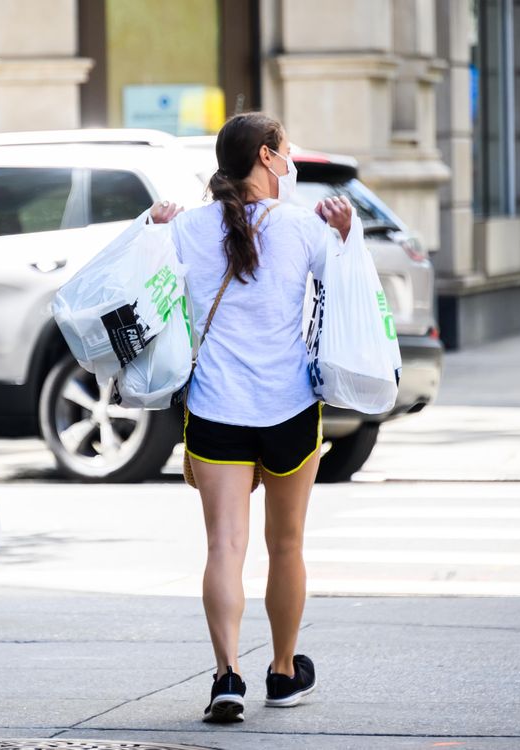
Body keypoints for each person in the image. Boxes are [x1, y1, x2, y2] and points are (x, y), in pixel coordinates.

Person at [150, 112, 356, 722]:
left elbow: (149, 288)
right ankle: (285, 673)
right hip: (289, 408)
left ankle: (227, 677)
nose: (290, 160)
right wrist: (346, 234)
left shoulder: (185, 229)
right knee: (286, 544)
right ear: (266, 157)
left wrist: (154, 228)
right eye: (285, 149)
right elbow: (345, 297)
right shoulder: (303, 228)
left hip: (216, 409)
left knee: (224, 546)